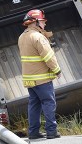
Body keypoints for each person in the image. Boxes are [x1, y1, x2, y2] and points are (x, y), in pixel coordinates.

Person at [18, 9, 61, 140]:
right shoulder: (38, 37)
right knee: (48, 102)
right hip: (42, 79)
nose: (44, 24)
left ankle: (33, 132)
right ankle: (51, 131)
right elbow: (48, 57)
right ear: (36, 22)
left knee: (34, 104)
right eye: (42, 21)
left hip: (30, 80)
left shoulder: (22, 36)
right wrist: (57, 70)